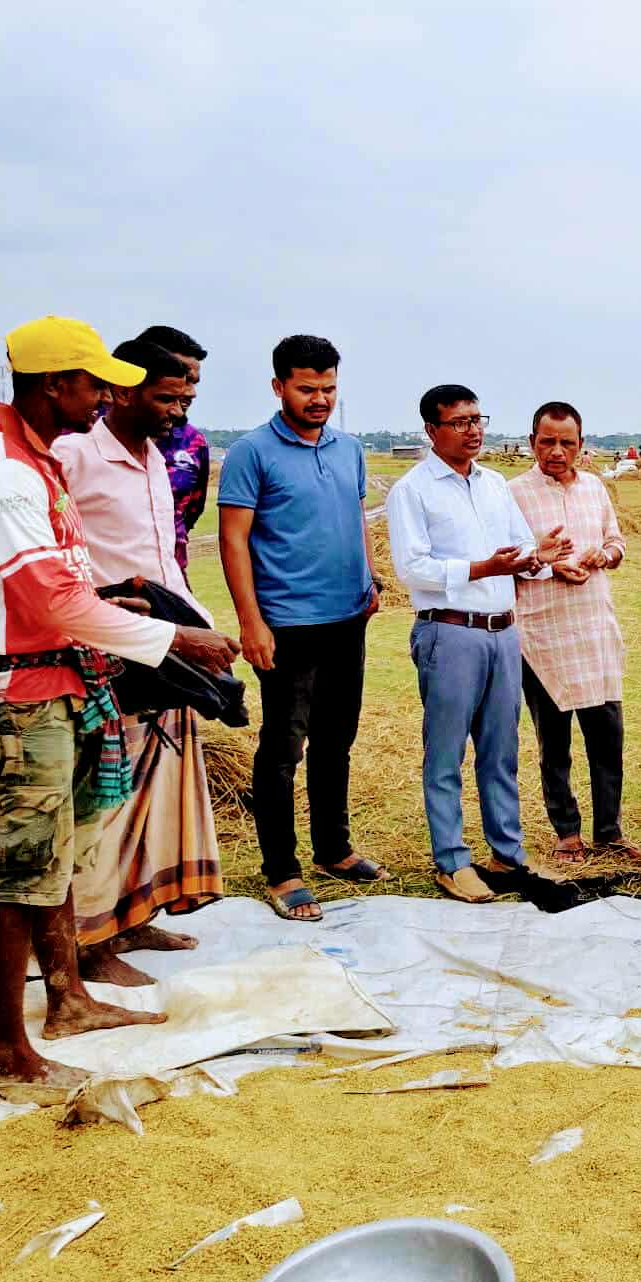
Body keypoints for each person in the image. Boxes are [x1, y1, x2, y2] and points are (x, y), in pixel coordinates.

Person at [0, 316, 239, 1088]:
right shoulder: (6, 475)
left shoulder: (38, 466)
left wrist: (140, 607)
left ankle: (68, 997)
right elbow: (50, 603)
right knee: (22, 877)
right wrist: (175, 641)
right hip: (23, 696)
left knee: (60, 860)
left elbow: (78, 591)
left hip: (67, 684)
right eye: (94, 381)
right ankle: (6, 1048)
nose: (109, 392)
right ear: (54, 385)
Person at [53, 339, 223, 984]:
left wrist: (193, 627)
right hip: (108, 653)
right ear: (120, 390)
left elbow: (164, 556)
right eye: (166, 397)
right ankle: (88, 941)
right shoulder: (72, 456)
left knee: (152, 790)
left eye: (186, 399)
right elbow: (55, 556)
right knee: (106, 798)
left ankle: (132, 914)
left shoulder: (158, 456)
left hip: (165, 647)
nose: (178, 411)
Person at [219, 334, 387, 923]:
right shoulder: (251, 452)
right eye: (307, 388)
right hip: (287, 624)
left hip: (347, 617)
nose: (320, 399)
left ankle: (334, 849)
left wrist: (370, 580)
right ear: (278, 387)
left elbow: (357, 518)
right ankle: (282, 870)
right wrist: (250, 622)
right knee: (283, 748)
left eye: (330, 389)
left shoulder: (351, 449)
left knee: (337, 739)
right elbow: (234, 539)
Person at [387, 386, 566, 902]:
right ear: (431, 431)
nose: (473, 430)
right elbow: (412, 568)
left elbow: (520, 546)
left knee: (500, 749)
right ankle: (451, 860)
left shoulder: (493, 484)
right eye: (460, 422)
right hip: (450, 630)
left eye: (477, 419)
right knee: (445, 752)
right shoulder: (413, 490)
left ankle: (506, 856)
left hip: (503, 631)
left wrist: (541, 555)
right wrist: (487, 567)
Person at [508, 401, 641, 866]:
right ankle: (567, 833)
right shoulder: (512, 494)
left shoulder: (595, 489)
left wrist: (602, 557)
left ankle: (610, 831)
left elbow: (616, 543)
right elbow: (503, 562)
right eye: (547, 441)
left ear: (581, 446)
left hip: (594, 628)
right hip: (541, 635)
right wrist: (550, 566)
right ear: (531, 443)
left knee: (607, 737)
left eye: (567, 442)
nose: (556, 451)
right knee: (555, 742)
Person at [135, 325, 211, 577]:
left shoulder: (193, 443)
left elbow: (189, 515)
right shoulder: (85, 436)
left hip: (172, 585)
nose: (190, 392)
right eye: (182, 379)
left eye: (193, 382)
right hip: (104, 592)